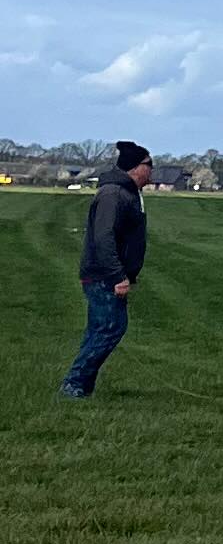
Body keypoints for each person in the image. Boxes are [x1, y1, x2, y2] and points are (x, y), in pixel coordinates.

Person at [58, 140, 155, 401]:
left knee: (100, 329)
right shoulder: (113, 194)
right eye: (149, 164)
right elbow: (104, 237)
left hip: (108, 275)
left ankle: (81, 386)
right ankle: (74, 383)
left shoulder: (129, 193)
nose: (151, 170)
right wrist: (117, 276)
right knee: (111, 328)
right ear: (135, 167)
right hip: (103, 276)